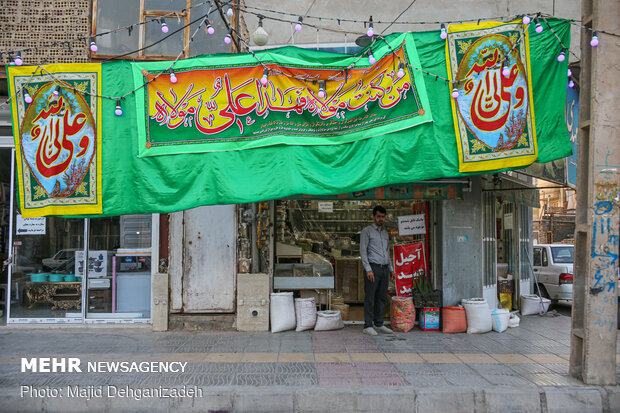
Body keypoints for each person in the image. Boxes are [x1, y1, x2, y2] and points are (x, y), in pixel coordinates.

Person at [359, 205, 394, 336]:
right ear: (374, 217)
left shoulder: (385, 233)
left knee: (381, 297)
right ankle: (368, 325)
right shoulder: (366, 231)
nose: (381, 219)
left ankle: (379, 323)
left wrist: (391, 269)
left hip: (384, 269)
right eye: (378, 216)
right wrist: (368, 269)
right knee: (370, 297)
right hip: (373, 268)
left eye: (383, 217)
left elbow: (387, 252)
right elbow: (363, 251)